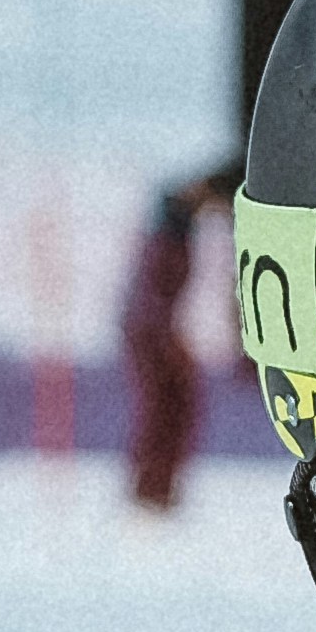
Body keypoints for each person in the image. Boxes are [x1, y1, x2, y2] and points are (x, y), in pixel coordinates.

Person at [122, 159, 239, 509]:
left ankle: (154, 489)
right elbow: (157, 296)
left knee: (172, 409)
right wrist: (171, 336)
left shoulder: (177, 233)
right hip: (156, 334)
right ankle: (152, 491)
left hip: (156, 332)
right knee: (169, 409)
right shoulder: (172, 237)